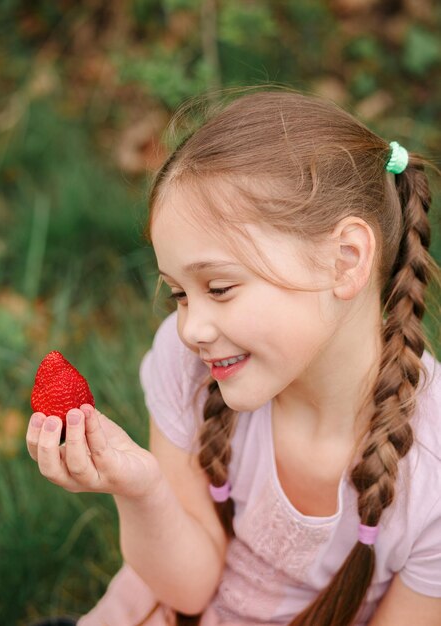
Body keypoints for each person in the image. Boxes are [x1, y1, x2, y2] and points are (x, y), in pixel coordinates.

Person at [26, 89, 441, 626]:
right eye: (178, 294)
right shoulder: (187, 366)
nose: (191, 328)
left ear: (345, 260)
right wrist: (141, 488)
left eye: (219, 287)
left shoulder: (430, 480)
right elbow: (188, 589)